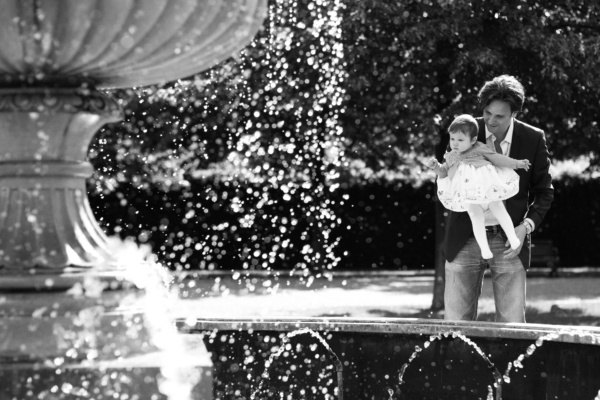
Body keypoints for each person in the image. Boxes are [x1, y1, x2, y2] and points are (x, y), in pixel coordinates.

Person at [441, 75, 554, 323]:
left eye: (500, 116)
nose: (491, 121)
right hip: (464, 236)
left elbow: (545, 192)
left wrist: (526, 227)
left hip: (510, 240)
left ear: (515, 112)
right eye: (487, 112)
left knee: (513, 326)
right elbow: (449, 175)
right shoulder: (466, 129)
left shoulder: (533, 138)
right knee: (455, 325)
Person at [427, 114, 531, 259]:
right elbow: (443, 173)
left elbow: (498, 159)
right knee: (476, 217)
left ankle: (512, 237)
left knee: (499, 209)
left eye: (460, 140)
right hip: (470, 197)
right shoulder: (451, 156)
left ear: (473, 140)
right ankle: (484, 248)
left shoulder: (480, 148)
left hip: (488, 191)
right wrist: (436, 167)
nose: (455, 144)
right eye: (452, 139)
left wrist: (517, 163)